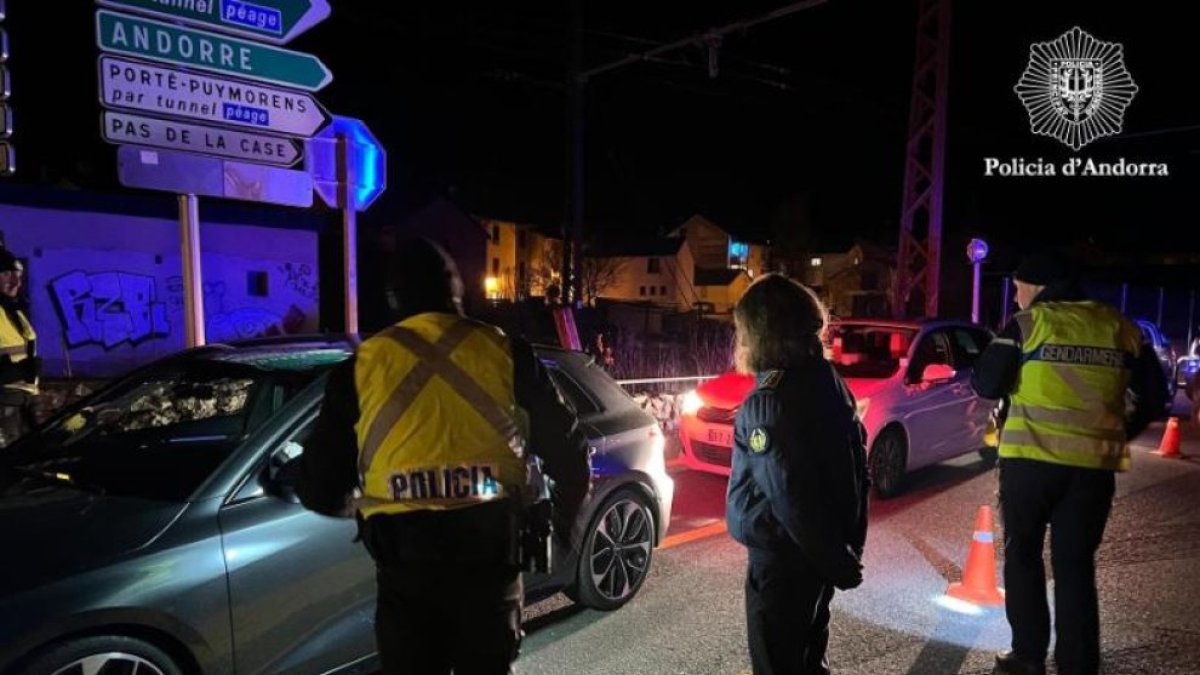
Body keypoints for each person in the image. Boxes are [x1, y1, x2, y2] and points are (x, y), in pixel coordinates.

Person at [297, 238, 591, 675]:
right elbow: (569, 456)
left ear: (393, 299)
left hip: (406, 571)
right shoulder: (507, 352)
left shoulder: (360, 369)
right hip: (491, 561)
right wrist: (564, 530)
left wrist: (363, 506)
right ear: (457, 294)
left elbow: (320, 489)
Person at [971, 250, 1167, 675]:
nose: (1016, 297)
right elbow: (1156, 395)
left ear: (1036, 285)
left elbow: (985, 383)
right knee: (1075, 565)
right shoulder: (1119, 326)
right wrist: (1117, 432)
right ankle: (1078, 665)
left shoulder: (1030, 325)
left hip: (1030, 463)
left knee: (1023, 556)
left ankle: (1027, 657)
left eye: (1018, 288)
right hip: (1092, 471)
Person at [724, 273, 870, 675]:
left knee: (778, 663)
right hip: (820, 554)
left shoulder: (767, 401)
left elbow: (791, 496)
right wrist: (843, 550)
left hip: (784, 560)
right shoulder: (826, 380)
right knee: (809, 658)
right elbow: (855, 467)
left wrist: (837, 561)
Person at [0, 248, 39, 448]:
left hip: (25, 400)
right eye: (7, 274)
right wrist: (10, 372)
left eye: (18, 276)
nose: (16, 282)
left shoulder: (13, 310)